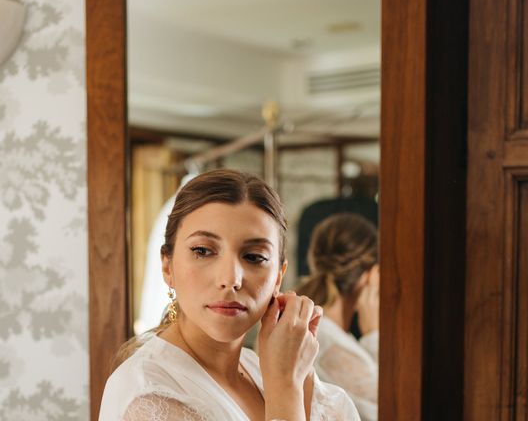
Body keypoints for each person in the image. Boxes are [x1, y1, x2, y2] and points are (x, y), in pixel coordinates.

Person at [99, 169, 359, 420]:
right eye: (203, 251)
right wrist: (285, 386)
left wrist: (301, 376)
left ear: (278, 277)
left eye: (254, 257)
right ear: (167, 267)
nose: (230, 279)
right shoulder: (150, 396)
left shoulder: (260, 367)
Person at [296, 213, 379, 421]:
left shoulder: (328, 331)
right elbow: (392, 406)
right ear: (371, 273)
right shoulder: (326, 338)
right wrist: (374, 336)